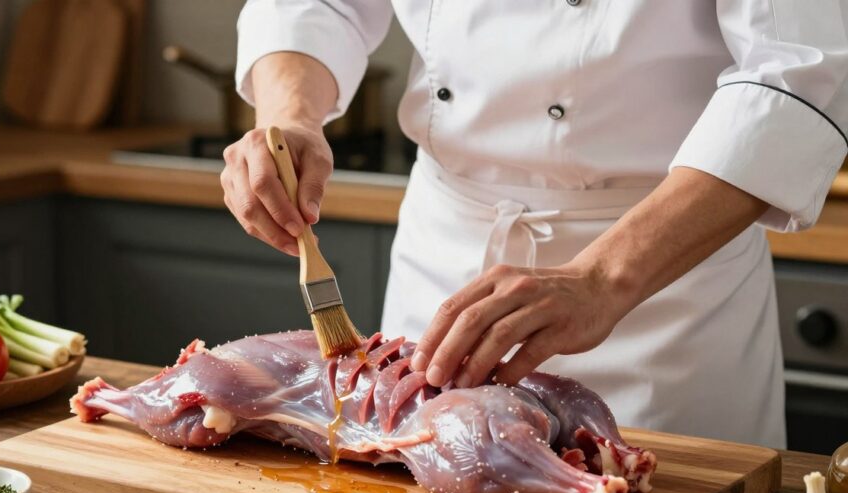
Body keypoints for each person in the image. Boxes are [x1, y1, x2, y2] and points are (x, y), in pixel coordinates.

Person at [220, 2, 848, 447]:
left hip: (664, 278)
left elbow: (798, 71)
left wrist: (603, 278)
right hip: (445, 257)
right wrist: (291, 116)